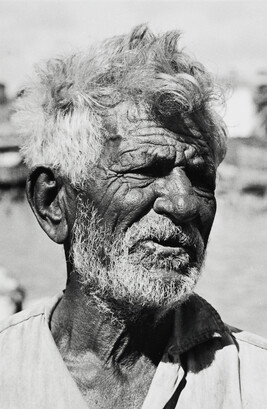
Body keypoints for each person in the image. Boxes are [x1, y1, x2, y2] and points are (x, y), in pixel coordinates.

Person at [0, 25, 266, 409]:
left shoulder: (255, 382)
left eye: (200, 177)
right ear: (53, 203)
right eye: (145, 170)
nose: (185, 203)